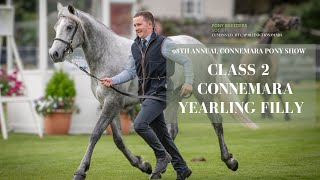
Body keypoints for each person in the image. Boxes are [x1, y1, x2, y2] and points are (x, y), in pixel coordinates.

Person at [101, 11, 193, 180]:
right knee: (164, 136)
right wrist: (112, 80)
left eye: (139, 24)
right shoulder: (135, 47)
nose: (136, 28)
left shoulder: (164, 44)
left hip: (161, 93)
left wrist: (189, 82)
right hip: (146, 95)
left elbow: (186, 61)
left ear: (150, 25)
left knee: (139, 124)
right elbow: (130, 71)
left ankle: (162, 156)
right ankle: (182, 168)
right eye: (134, 25)